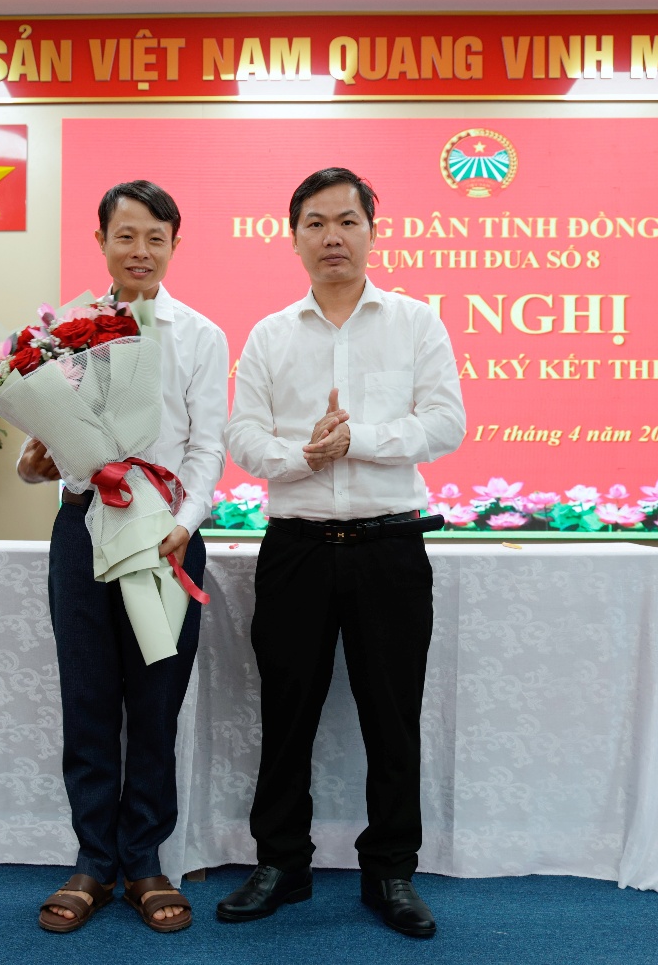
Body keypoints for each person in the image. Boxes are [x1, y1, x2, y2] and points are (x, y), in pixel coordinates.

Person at [217, 168, 465, 938]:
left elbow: (446, 423)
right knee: (286, 712)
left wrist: (360, 440)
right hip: (296, 548)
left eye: (348, 221)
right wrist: (305, 456)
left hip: (390, 545)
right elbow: (241, 435)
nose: (333, 237)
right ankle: (280, 862)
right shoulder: (270, 334)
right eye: (316, 223)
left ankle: (390, 869)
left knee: (393, 716)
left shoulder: (416, 322)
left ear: (372, 231)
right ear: (293, 237)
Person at [21, 181, 229, 934]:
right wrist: (33, 463)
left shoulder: (200, 335)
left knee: (153, 703)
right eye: (126, 236)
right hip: (83, 526)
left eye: (155, 238)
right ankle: (92, 860)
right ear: (102, 241)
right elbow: (44, 437)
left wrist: (186, 521)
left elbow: (207, 445)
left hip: (165, 535)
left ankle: (144, 860)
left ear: (175, 245)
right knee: (87, 699)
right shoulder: (64, 332)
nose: (140, 251)